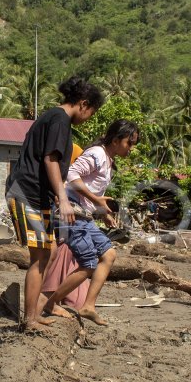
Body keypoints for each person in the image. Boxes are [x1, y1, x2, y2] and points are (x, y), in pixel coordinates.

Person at [6, 78, 104, 330]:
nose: (89, 118)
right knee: (39, 256)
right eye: (92, 112)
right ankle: (29, 319)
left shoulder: (54, 119)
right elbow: (51, 160)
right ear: (84, 104)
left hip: (38, 196)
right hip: (27, 192)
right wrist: (63, 199)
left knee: (48, 252)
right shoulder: (60, 120)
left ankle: (35, 313)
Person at [41, 120, 139, 325]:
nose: (131, 148)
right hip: (72, 213)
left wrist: (103, 212)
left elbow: (91, 190)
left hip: (84, 215)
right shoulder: (96, 154)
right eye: (129, 143)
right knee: (89, 264)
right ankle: (51, 302)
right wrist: (96, 201)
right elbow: (71, 175)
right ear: (115, 140)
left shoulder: (108, 161)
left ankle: (88, 306)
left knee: (109, 255)